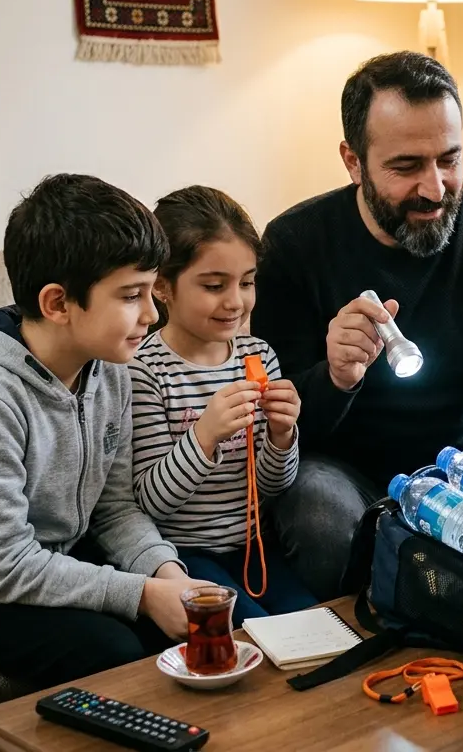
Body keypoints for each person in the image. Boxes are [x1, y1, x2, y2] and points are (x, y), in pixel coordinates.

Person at [250, 51, 463, 601]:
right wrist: (337, 376)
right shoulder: (295, 244)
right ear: (353, 161)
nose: (436, 188)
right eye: (406, 166)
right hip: (341, 469)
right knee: (319, 514)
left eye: (449, 159)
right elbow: (280, 417)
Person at [0, 174, 204, 688]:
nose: (152, 312)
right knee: (114, 652)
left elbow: (115, 509)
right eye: (130, 295)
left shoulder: (112, 372)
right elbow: (1, 563)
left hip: (50, 552)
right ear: (57, 303)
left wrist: (168, 575)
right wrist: (140, 594)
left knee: (187, 626)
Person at [129, 185, 316, 626]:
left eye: (247, 283)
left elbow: (271, 486)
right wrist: (204, 436)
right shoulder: (144, 371)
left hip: (254, 548)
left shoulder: (259, 356)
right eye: (214, 286)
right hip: (185, 555)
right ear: (162, 286)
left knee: (317, 628)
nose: (235, 301)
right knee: (250, 636)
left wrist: (282, 436)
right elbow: (149, 502)